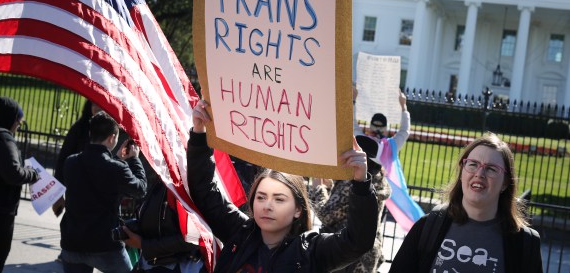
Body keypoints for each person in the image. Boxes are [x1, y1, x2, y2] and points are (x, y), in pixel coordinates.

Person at [186, 100, 378, 272]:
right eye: (261, 197)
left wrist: (361, 183)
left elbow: (357, 241)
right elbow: (204, 191)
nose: (267, 206)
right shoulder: (239, 232)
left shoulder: (311, 252)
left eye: (279, 199)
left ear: (298, 210)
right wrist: (199, 134)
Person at [389, 133, 543, 273]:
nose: (479, 173)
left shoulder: (525, 244)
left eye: (491, 169)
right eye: (473, 164)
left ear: (505, 183)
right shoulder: (427, 227)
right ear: (462, 173)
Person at [59, 111, 147, 273]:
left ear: (91, 133)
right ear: (113, 137)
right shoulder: (116, 168)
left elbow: (95, 175)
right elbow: (140, 189)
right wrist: (134, 159)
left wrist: (117, 160)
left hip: (73, 242)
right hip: (105, 244)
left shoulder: (71, 162)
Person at [310, 135, 391, 272]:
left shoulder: (353, 183)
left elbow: (326, 214)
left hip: (346, 257)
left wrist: (318, 187)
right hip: (366, 256)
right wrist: (330, 188)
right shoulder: (375, 180)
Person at [0, 96, 39, 272]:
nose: (18, 125)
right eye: (17, 121)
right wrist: (32, 174)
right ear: (9, 118)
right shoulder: (3, 138)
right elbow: (13, 173)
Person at [122, 175, 208, 273]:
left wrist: (144, 245)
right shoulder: (162, 178)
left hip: (181, 266)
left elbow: (195, 238)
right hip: (151, 263)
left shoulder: (190, 181)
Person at [52, 100, 102, 216]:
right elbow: (62, 160)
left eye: (102, 104)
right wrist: (57, 195)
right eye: (95, 103)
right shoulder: (79, 128)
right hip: (78, 192)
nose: (98, 107)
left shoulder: (116, 131)